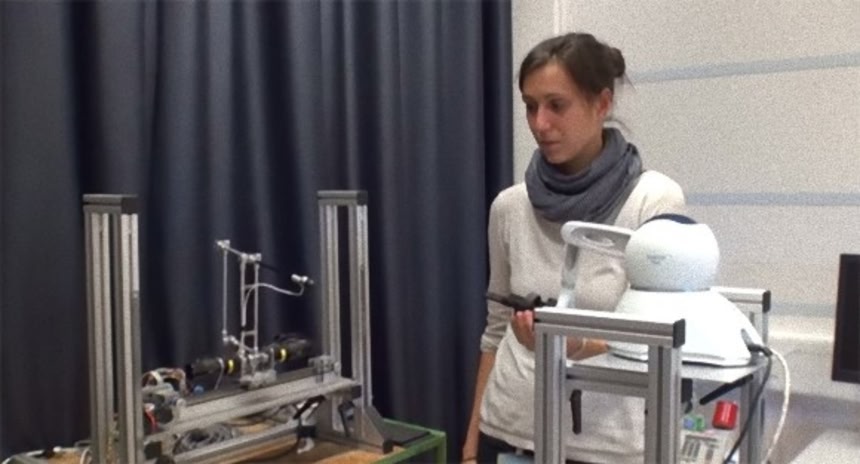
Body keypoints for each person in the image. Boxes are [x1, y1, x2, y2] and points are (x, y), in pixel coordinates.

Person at [462, 32, 686, 464]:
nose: (539, 123)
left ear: (601, 104)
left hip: (606, 446)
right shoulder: (510, 207)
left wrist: (576, 344)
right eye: (530, 106)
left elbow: (659, 340)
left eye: (556, 105)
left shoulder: (652, 201)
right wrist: (472, 447)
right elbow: (495, 331)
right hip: (506, 428)